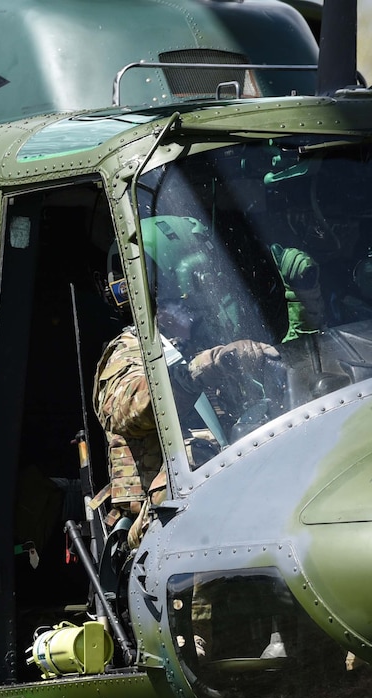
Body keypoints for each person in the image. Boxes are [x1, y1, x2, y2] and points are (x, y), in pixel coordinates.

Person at [93, 216, 282, 547]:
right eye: (184, 304)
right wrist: (207, 366)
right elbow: (129, 410)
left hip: (234, 511)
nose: (197, 311)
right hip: (161, 532)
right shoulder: (129, 352)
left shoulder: (208, 345)